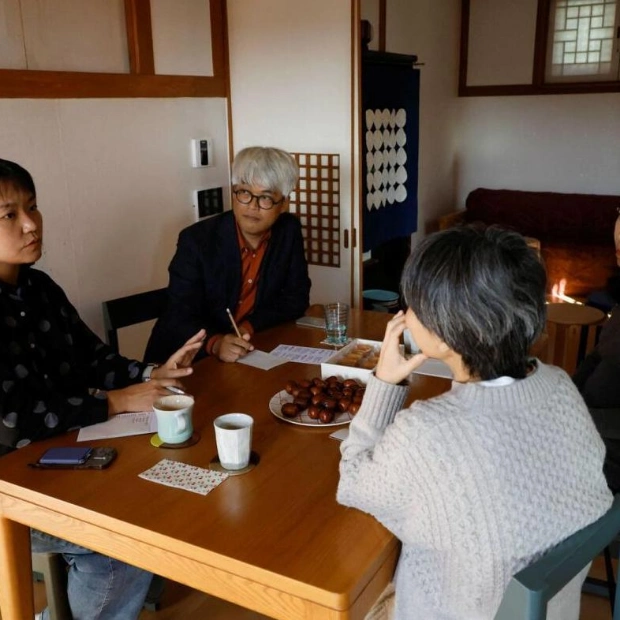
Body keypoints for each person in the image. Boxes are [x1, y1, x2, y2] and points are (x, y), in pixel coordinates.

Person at [337, 225, 612, 620]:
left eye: (413, 305)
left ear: (447, 334)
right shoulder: (559, 385)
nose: (405, 315)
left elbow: (354, 482)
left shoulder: (429, 432)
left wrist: (383, 382)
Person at [0, 158, 205, 620]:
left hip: (62, 452)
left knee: (162, 478)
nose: (32, 224)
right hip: (11, 480)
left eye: (33, 207)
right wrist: (114, 401)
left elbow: (92, 357)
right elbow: (13, 421)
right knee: (116, 544)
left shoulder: (40, 288)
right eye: (9, 215)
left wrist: (149, 374)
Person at [145, 146, 311, 364]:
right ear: (234, 192)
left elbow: (296, 298)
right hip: (188, 358)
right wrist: (216, 343)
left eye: (266, 198)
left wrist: (248, 326)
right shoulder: (197, 241)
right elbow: (178, 314)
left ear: (284, 203)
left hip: (247, 351)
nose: (252, 206)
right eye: (244, 193)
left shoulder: (288, 230)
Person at [573, 207, 620, 491]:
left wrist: (580, 418)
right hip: (585, 426)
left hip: (605, 456)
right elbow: (598, 354)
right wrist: (566, 393)